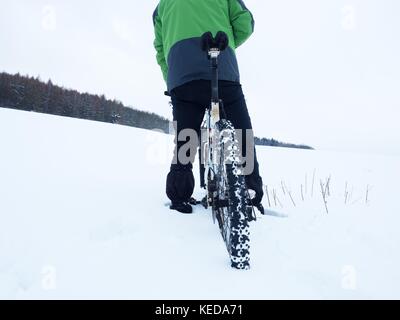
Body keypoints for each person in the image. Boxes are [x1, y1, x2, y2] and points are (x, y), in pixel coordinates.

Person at [153, 0, 264, 214]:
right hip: (222, 68)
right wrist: (228, 44)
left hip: (182, 77)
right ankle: (250, 193)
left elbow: (160, 48)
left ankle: (179, 196)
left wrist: (172, 77)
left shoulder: (162, 5)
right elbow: (246, 24)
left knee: (186, 137)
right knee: (242, 135)